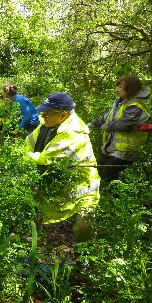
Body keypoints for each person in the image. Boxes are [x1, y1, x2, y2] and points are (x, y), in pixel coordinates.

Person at [24, 92, 100, 244]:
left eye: (48, 113)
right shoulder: (46, 125)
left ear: (63, 114)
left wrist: (20, 157)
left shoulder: (73, 134)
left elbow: (45, 159)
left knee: (83, 231)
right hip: (62, 191)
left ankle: (85, 264)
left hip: (83, 192)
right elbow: (27, 144)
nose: (43, 116)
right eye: (43, 112)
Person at [87, 76, 151, 182]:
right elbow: (104, 118)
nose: (117, 89)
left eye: (121, 87)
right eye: (117, 86)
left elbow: (125, 124)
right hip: (112, 148)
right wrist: (88, 125)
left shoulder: (136, 105)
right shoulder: (119, 104)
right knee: (98, 171)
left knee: (108, 173)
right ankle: (108, 195)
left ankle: (118, 197)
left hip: (126, 150)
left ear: (130, 88)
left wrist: (106, 126)